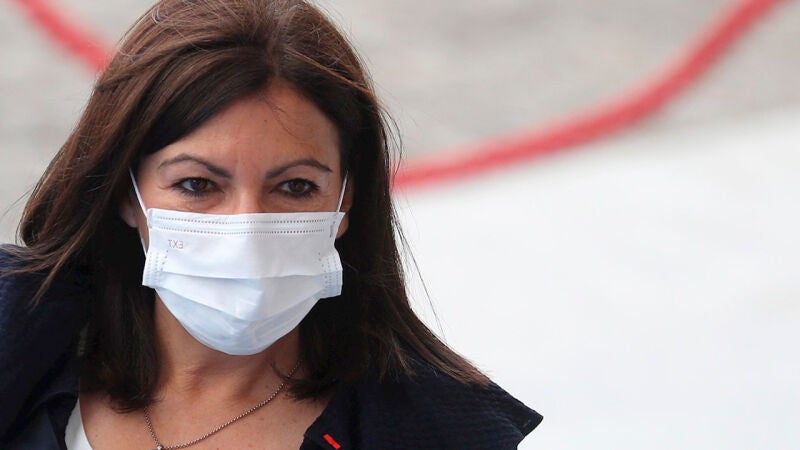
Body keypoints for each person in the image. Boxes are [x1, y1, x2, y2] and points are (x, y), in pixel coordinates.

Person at [0, 0, 542, 448]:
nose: (248, 229)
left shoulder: (439, 432)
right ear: (126, 193)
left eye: (295, 187)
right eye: (197, 184)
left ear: (346, 202)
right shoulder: (17, 337)